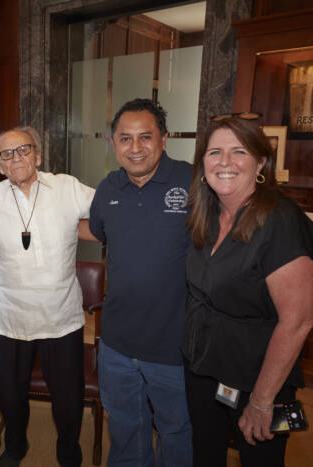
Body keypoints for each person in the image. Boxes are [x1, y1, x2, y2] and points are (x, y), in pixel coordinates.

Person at [182, 115, 313, 466]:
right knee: (204, 455)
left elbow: (297, 322)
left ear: (261, 163)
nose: (225, 162)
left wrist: (262, 401)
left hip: (260, 380)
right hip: (203, 369)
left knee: (261, 459)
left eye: (239, 152)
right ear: (202, 163)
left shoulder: (281, 220)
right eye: (215, 152)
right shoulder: (205, 213)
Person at [0, 126, 96, 467]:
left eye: (24, 149)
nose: (16, 157)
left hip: (62, 315)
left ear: (38, 155)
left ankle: (68, 449)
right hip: (13, 317)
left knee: (68, 394)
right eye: (7, 153)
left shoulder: (67, 188)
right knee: (10, 392)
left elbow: (109, 211)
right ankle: (16, 446)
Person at [88, 98, 193, 466]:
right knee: (125, 430)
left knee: (177, 433)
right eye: (125, 138)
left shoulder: (194, 182)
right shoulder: (108, 188)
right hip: (117, 345)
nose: (135, 148)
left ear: (164, 138)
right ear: (113, 143)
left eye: (145, 137)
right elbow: (99, 232)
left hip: (173, 347)